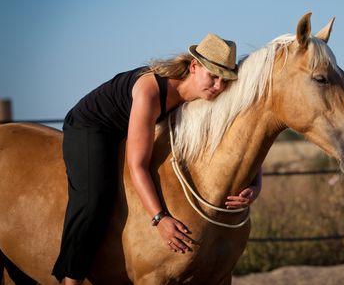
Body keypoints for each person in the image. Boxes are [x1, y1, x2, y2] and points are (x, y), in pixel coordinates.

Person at [52, 33, 262, 284]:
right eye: (213, 76)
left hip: (133, 125)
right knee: (92, 197)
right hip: (93, 126)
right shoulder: (150, 91)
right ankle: (71, 276)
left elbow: (244, 143)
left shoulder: (207, 95)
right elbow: (137, 165)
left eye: (224, 80)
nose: (218, 86)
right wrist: (160, 218)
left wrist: (256, 185)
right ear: (194, 67)